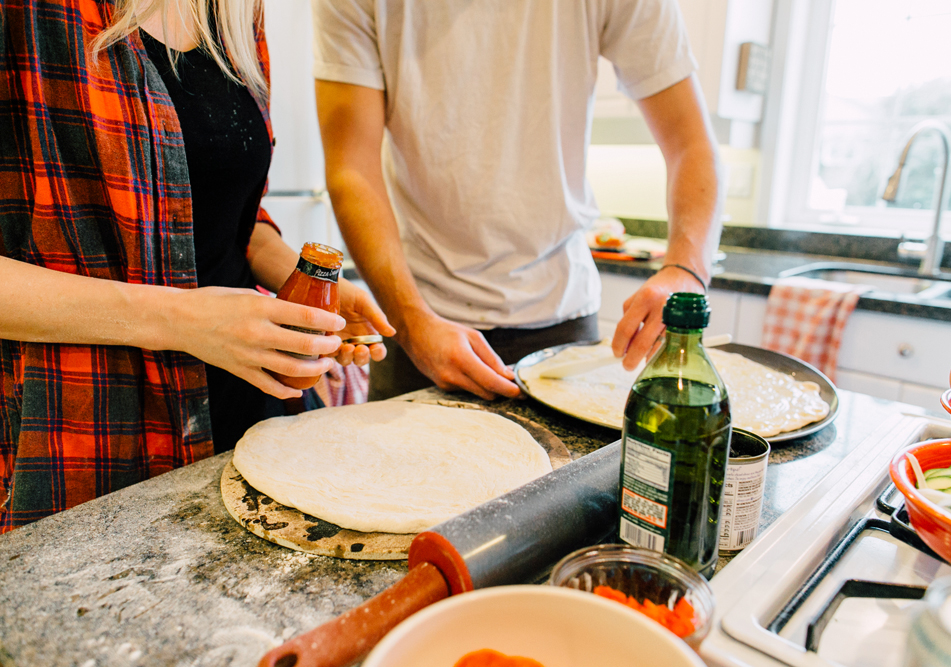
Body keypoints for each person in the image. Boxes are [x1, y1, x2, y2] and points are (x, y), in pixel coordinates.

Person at [0, 0, 394, 532]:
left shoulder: (234, 12)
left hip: (246, 414)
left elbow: (220, 208)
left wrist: (297, 281)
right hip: (83, 436)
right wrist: (183, 320)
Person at [312, 0, 723, 402]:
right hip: (415, 317)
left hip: (560, 324)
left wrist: (686, 269)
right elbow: (353, 169)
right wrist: (412, 321)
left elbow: (692, 144)